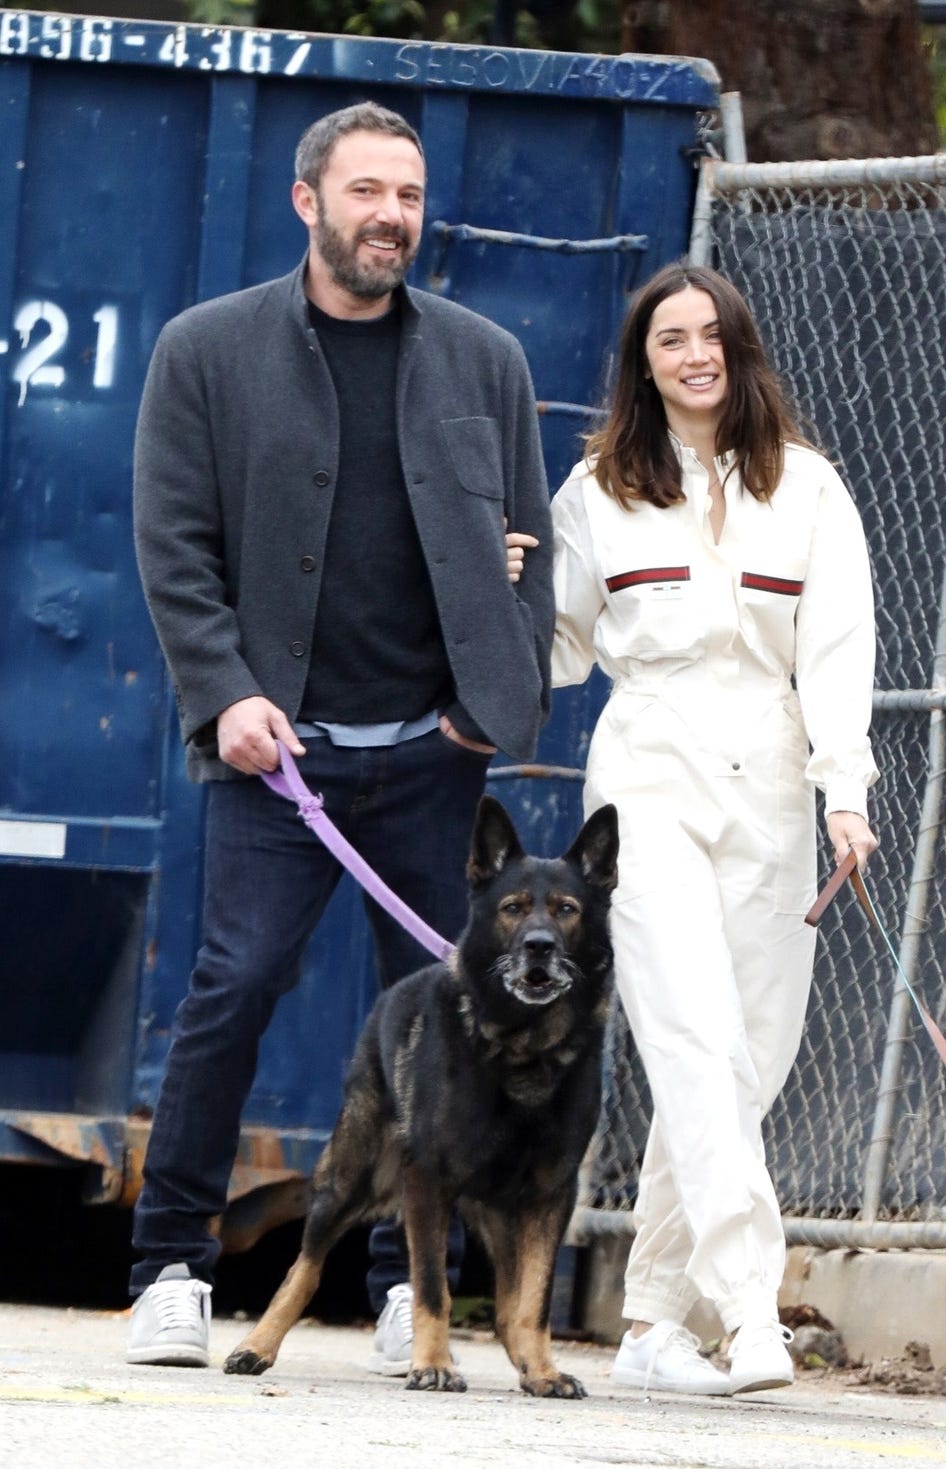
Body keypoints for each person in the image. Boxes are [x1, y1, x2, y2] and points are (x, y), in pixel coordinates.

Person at [128, 101, 553, 1370]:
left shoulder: (486, 360)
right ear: (310, 200)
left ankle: (397, 1289)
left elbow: (531, 552)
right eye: (367, 191)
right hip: (278, 757)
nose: (391, 217)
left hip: (432, 762)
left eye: (409, 196)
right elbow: (173, 548)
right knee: (234, 985)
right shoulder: (205, 352)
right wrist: (226, 694)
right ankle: (166, 1267)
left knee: (438, 1020)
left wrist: (487, 709)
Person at [550, 262, 878, 1395]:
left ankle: (648, 1319)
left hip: (778, 776)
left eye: (710, 336)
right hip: (646, 763)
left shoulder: (811, 489)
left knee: (744, 1060)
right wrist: (498, 589)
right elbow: (559, 647)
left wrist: (846, 790)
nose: (693, 354)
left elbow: (835, 651)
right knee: (689, 1033)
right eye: (667, 339)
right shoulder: (596, 487)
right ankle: (748, 1312)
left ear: (738, 351)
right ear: (641, 365)